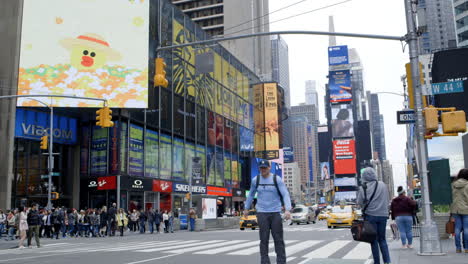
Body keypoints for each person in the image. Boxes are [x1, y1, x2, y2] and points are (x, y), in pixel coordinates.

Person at [244, 160, 292, 264]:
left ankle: (281, 262)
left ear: (269, 168)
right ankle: (265, 262)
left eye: (265, 168)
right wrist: (246, 208)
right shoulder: (255, 180)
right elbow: (251, 195)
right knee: (263, 240)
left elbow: (285, 194)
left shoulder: (276, 179)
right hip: (262, 213)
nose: (263, 170)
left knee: (278, 240)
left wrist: (287, 209)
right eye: (261, 168)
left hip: (275, 213)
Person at [357, 167, 391, 264]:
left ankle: (377, 262)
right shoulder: (383, 185)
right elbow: (387, 199)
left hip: (370, 216)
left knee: (373, 240)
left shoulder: (363, 187)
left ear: (364, 177)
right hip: (383, 216)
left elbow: (359, 202)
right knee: (382, 239)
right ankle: (387, 261)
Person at [450, 168, 468, 253]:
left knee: (457, 229)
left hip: (455, 210)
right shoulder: (467, 184)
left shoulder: (453, 185)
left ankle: (458, 248)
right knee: (466, 229)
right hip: (466, 209)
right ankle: (467, 248)